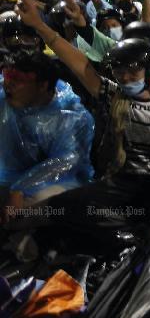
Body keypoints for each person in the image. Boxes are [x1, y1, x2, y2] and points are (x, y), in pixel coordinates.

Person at [16, 0, 150, 227]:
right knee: (71, 206)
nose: (125, 77)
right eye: (119, 72)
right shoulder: (114, 95)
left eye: (133, 71)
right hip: (122, 181)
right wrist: (40, 26)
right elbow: (80, 65)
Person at [1, 51, 94, 217]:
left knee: (41, 202)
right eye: (7, 75)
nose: (8, 84)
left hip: (53, 183)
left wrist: (21, 188)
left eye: (18, 79)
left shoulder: (72, 117)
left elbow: (64, 163)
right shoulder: (3, 98)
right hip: (6, 178)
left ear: (43, 85)